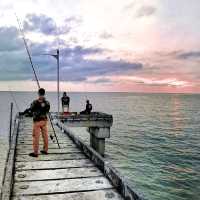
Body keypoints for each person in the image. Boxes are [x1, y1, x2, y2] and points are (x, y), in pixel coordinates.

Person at [29, 88, 50, 157]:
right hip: (44, 121)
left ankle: (35, 153)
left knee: (36, 137)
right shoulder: (47, 103)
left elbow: (31, 110)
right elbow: (47, 110)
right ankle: (45, 150)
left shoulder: (35, 102)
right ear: (44, 93)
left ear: (38, 93)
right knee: (45, 136)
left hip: (37, 121)